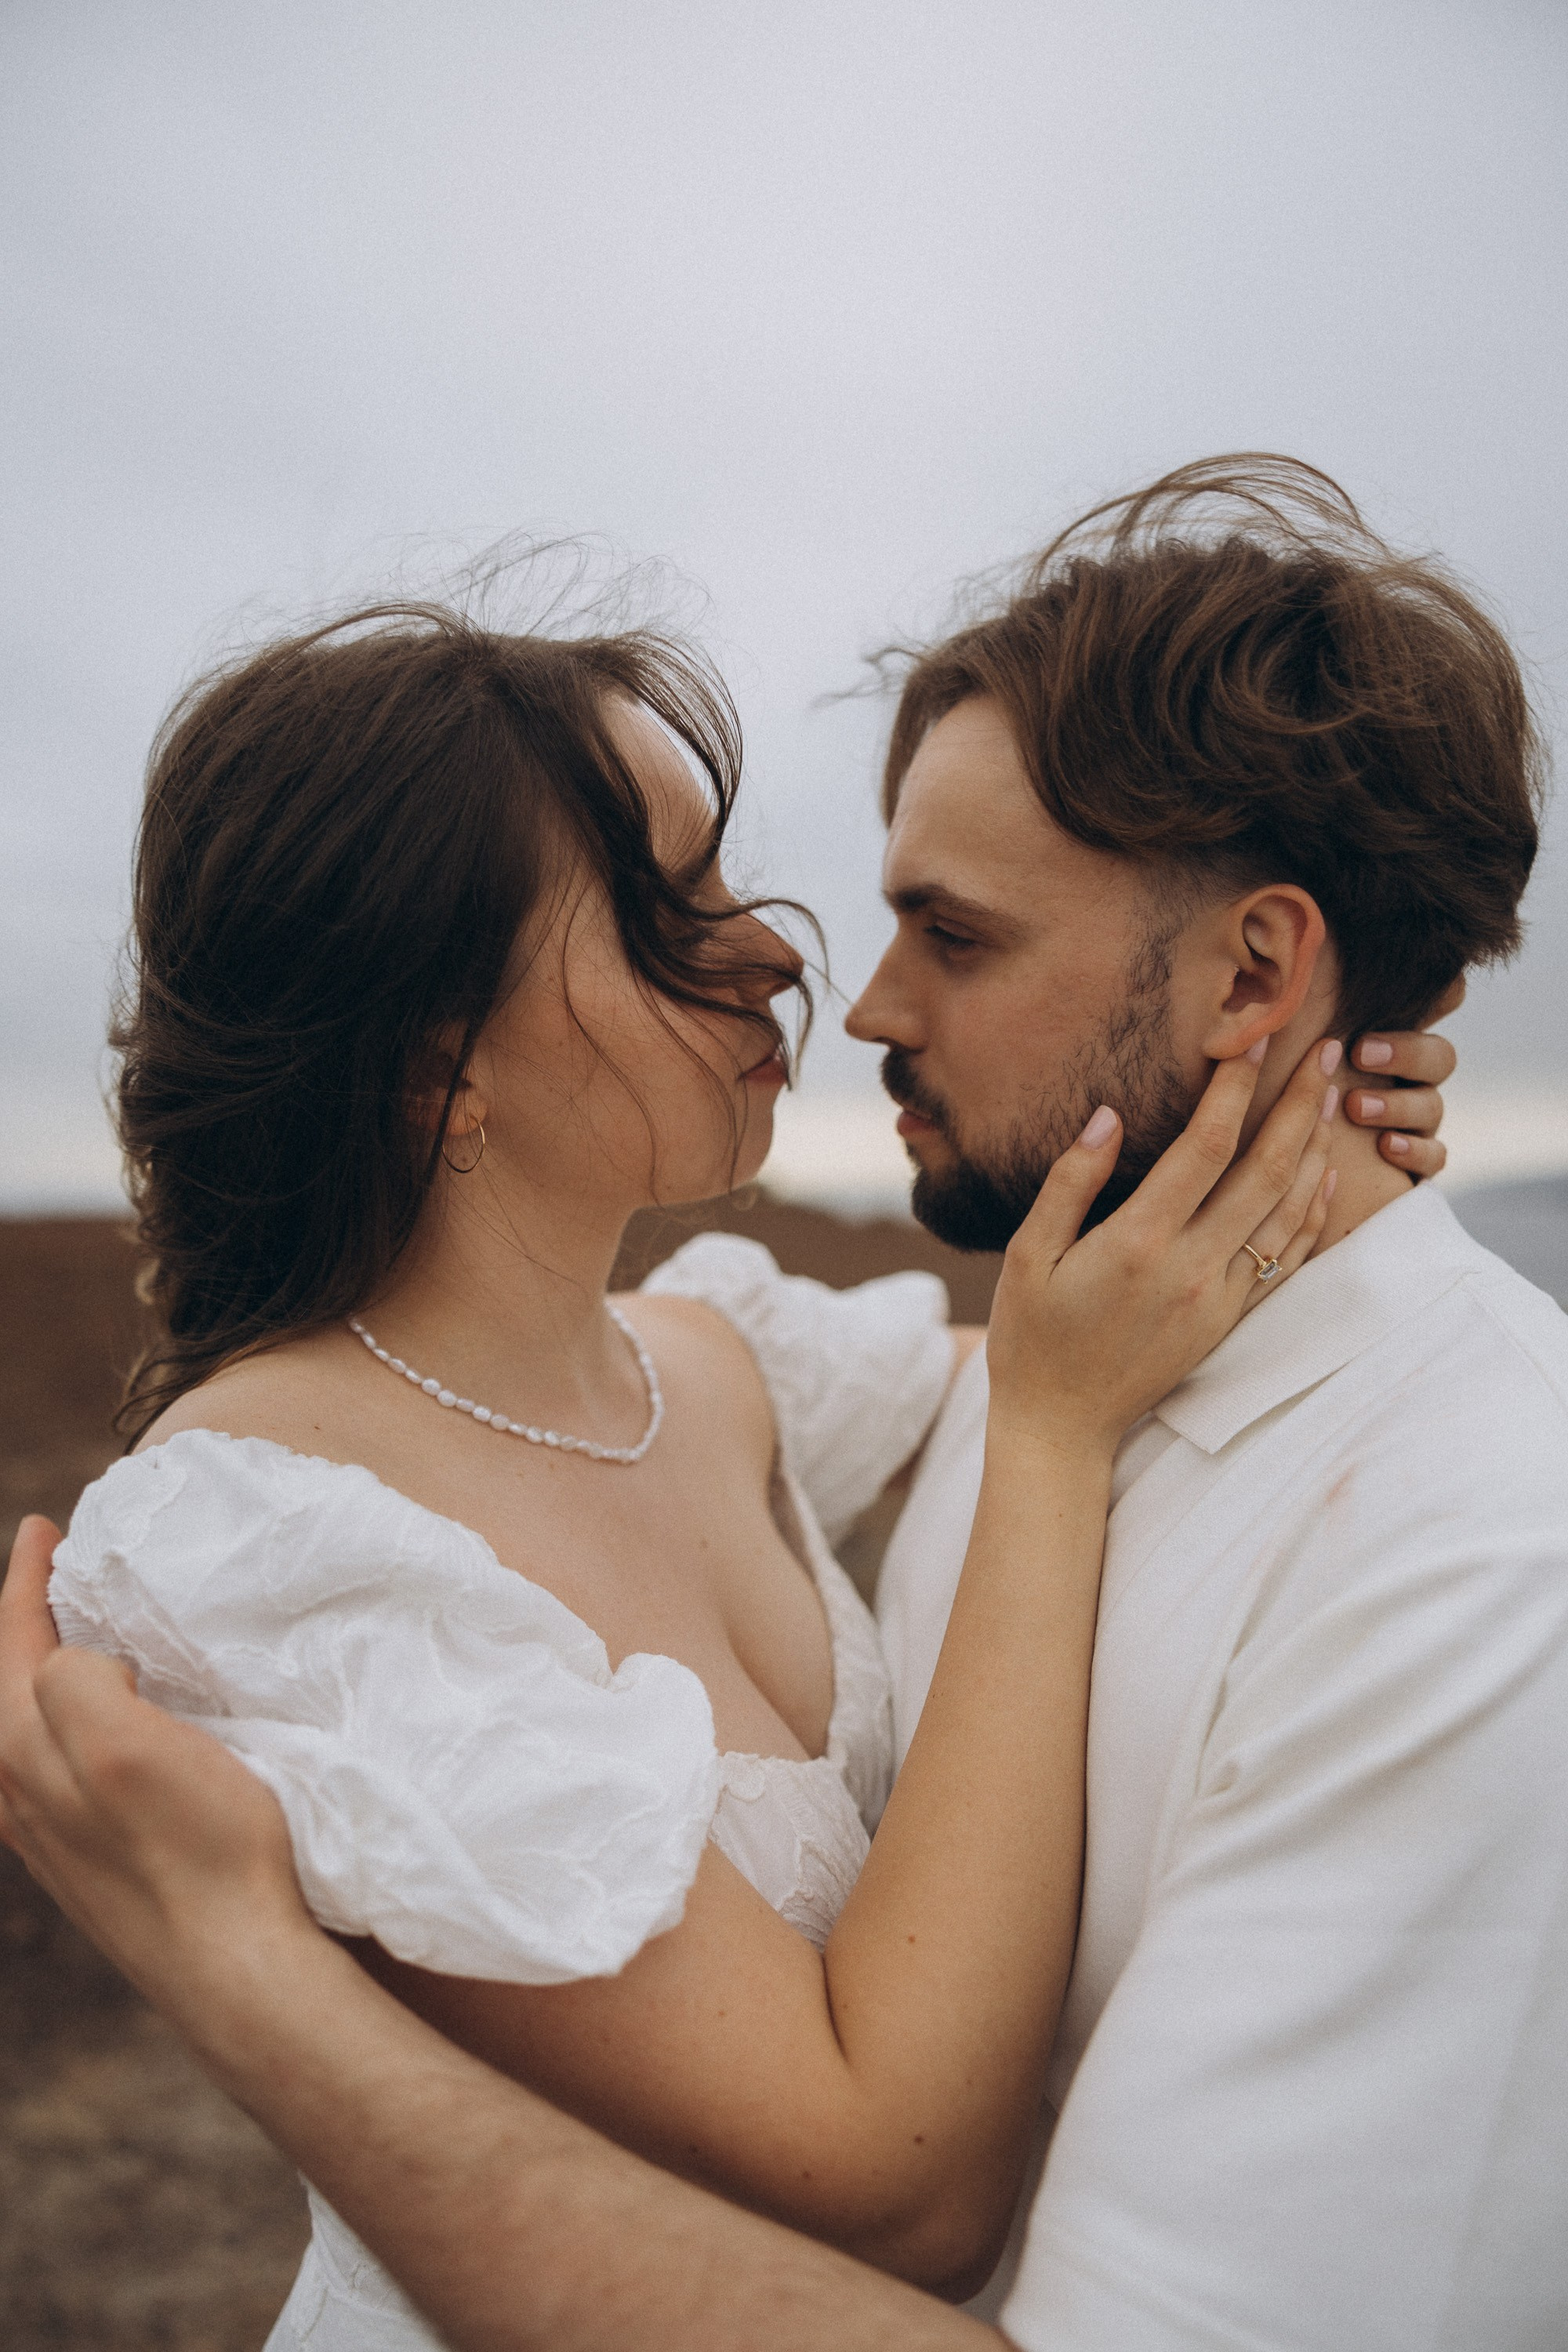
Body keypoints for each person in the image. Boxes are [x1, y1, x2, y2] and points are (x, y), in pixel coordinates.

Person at [3, 451, 1551, 2352]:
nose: (795, 961)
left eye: (729, 871)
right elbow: (890, 2180)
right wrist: (1069, 1401)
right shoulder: (271, 1536)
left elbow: (1152, 1339)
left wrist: (1297, 1137)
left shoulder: (721, 1366)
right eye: (666, 906)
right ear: (437, 1060)